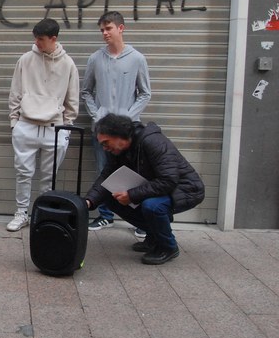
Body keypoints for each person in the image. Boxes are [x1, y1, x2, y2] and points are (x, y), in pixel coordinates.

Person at [84, 113, 204, 265]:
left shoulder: (152, 141)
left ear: (120, 135)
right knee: (110, 197)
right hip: (158, 188)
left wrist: (132, 195)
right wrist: (88, 201)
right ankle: (154, 235)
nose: (104, 147)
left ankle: (168, 247)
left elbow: (168, 180)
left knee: (152, 206)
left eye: (106, 142)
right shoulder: (116, 150)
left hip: (186, 189)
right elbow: (106, 177)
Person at [82, 11, 152, 238]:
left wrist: (129, 119)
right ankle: (105, 215)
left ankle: (142, 219)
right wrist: (97, 116)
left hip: (129, 131)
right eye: (102, 29)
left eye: (108, 28)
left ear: (121, 28)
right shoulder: (95, 59)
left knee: (137, 173)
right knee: (104, 171)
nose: (104, 33)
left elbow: (145, 93)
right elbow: (86, 92)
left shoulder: (137, 58)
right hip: (102, 131)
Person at [6, 18, 79, 232]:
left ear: (53, 39)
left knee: (49, 177)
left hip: (54, 128)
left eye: (41, 39)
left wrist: (66, 128)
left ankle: (42, 214)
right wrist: (15, 122)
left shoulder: (67, 64)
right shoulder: (26, 60)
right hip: (26, 124)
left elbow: (72, 99)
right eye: (36, 39)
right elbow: (15, 93)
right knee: (23, 173)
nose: (37, 43)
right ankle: (21, 213)